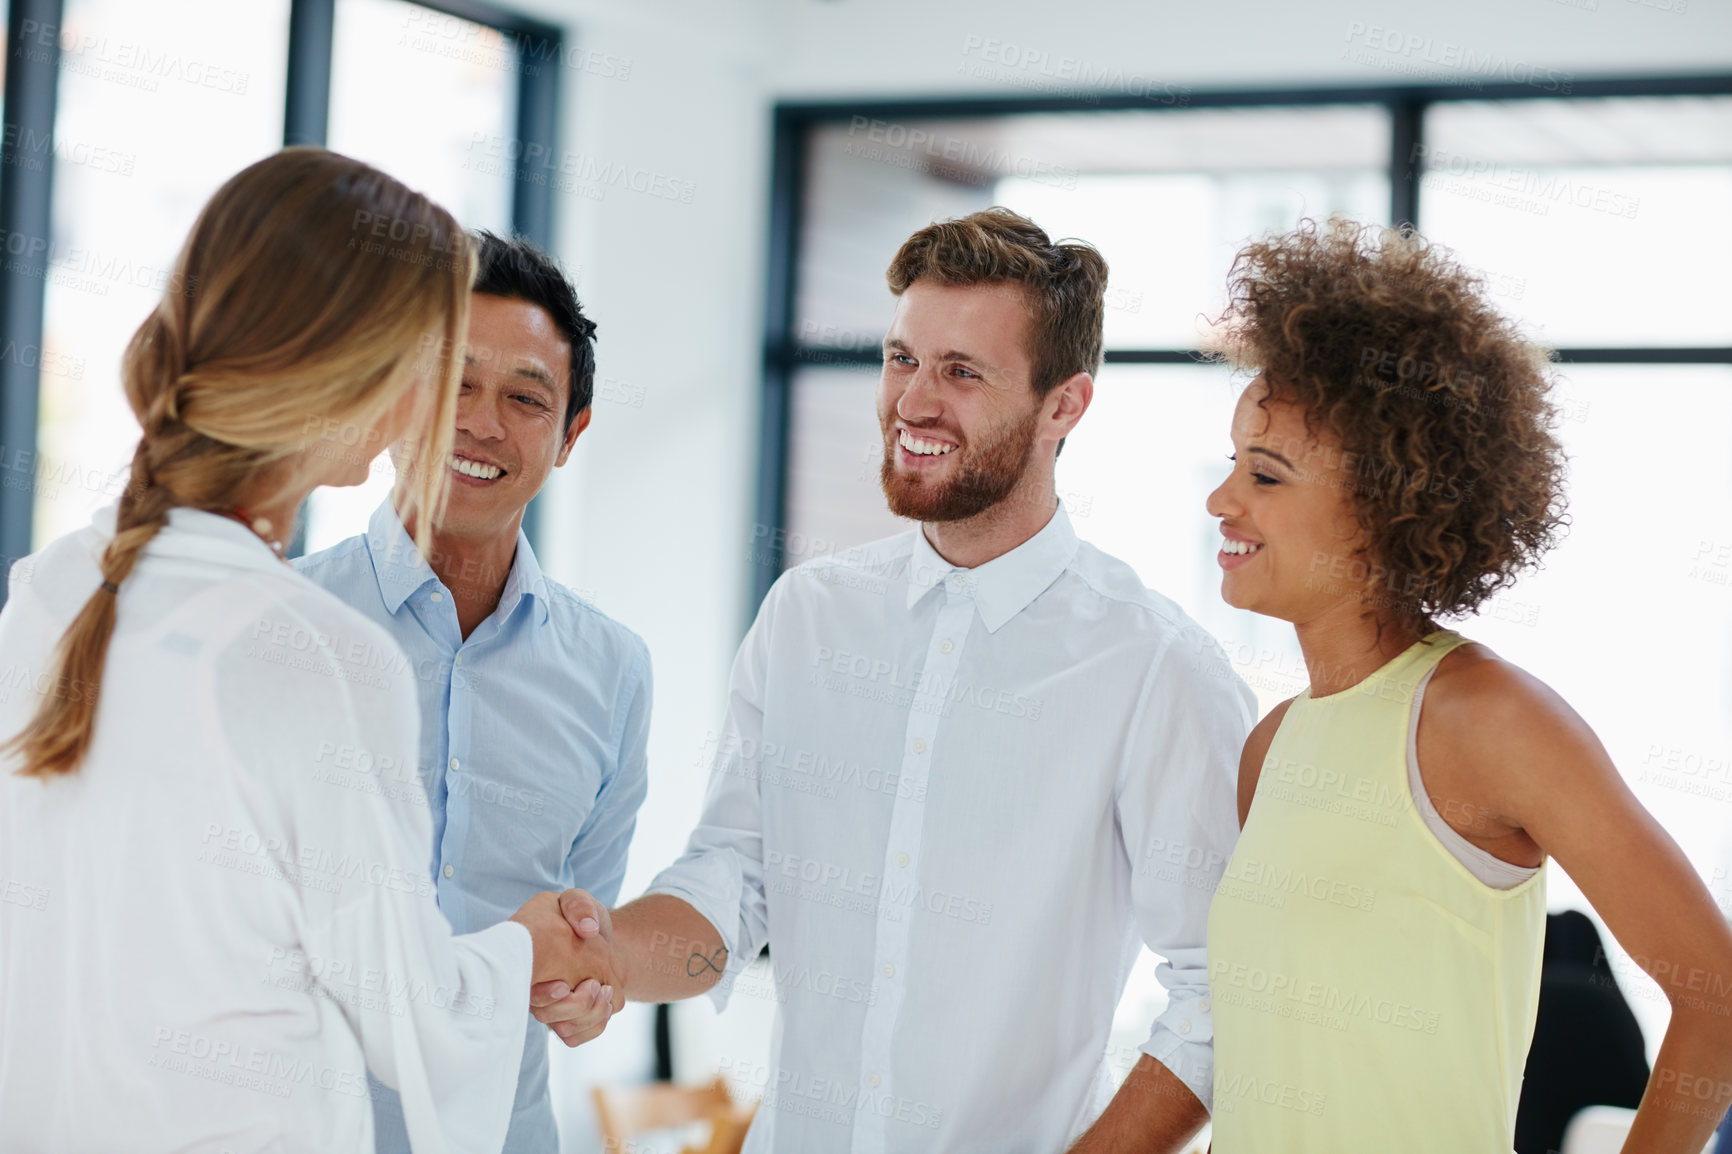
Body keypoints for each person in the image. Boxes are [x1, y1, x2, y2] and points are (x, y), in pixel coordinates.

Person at [535, 208, 1256, 1152]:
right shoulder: (807, 619)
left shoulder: (1154, 669)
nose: (913, 402)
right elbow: (735, 881)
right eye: (901, 359)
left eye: (962, 372)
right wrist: (614, 960)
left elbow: (1220, 993)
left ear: (1065, 406)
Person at [0, 149, 612, 1153]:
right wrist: (526, 946)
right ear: (354, 367)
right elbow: (412, 1016)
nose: (444, 404)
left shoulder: (53, 586)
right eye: (432, 359)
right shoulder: (316, 650)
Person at [1202, 218, 1732, 1151]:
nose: (1221, 499)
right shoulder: (1273, 746)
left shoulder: (1482, 716)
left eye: (1266, 474)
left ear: (1382, 500)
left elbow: (1715, 997)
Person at [295, 230, 647, 1152]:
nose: (482, 423)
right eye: (453, 381)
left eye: (526, 398)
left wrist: (587, 984)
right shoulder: (279, 624)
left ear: (570, 435)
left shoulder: (612, 673)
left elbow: (582, 937)